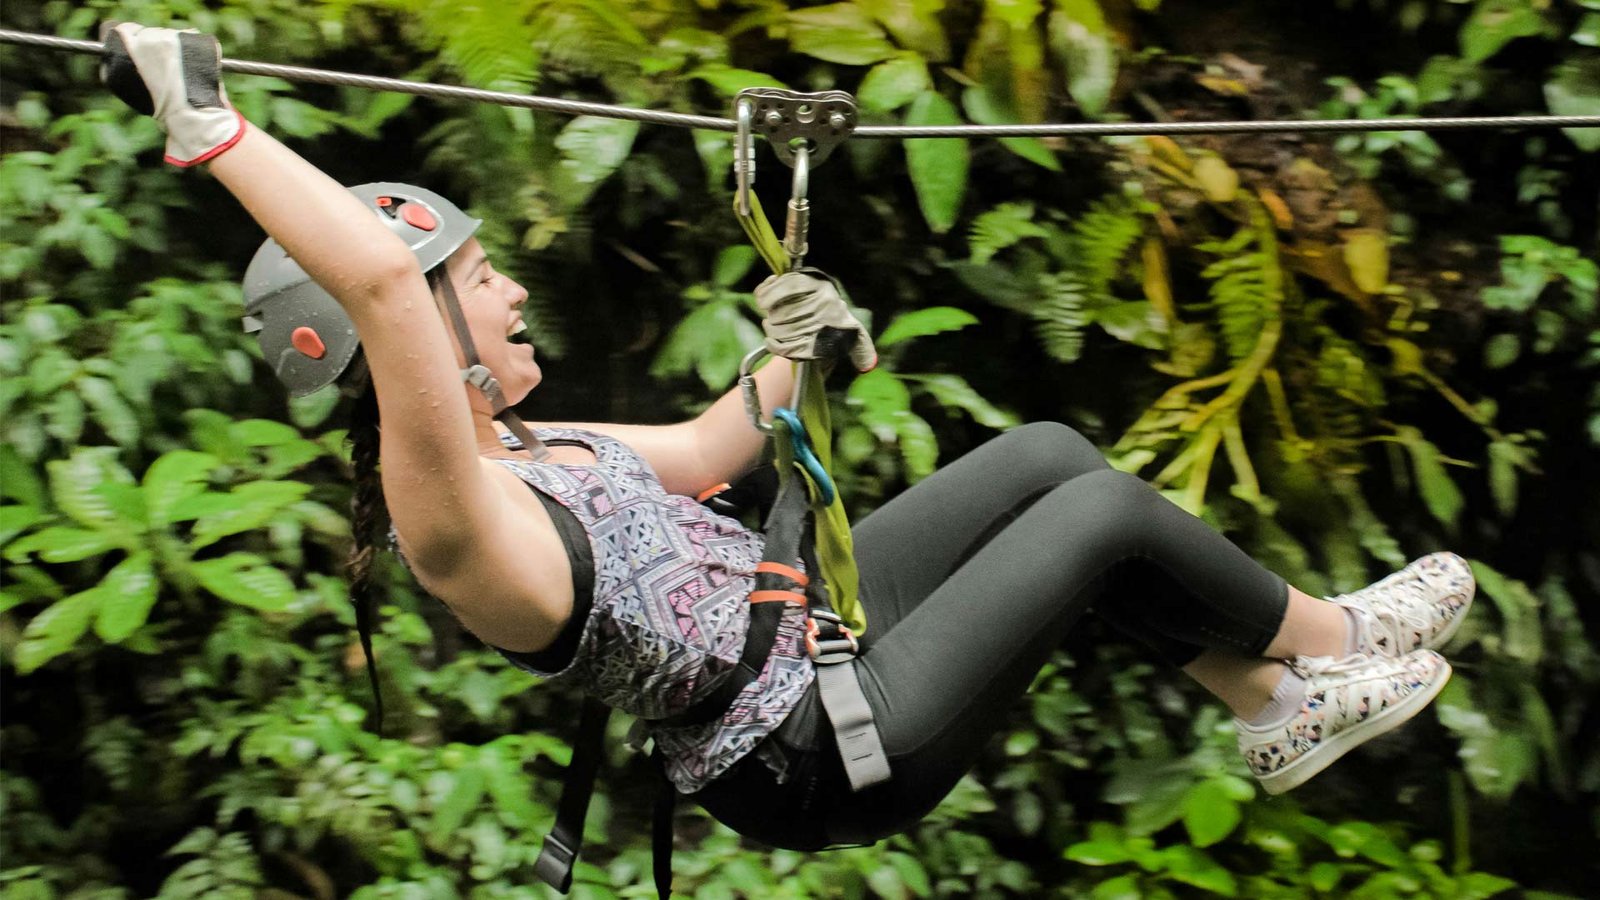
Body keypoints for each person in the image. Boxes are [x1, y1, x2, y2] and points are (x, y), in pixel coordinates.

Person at [101, 22, 1475, 864]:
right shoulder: (453, 521)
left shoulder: (533, 452)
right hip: (812, 747)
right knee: (1097, 519)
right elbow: (383, 281)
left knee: (1044, 460)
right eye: (481, 279)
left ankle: (1271, 702)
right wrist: (212, 127)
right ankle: (1338, 644)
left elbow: (714, 450)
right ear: (401, 343)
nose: (511, 289)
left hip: (809, 638)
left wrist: (793, 342)